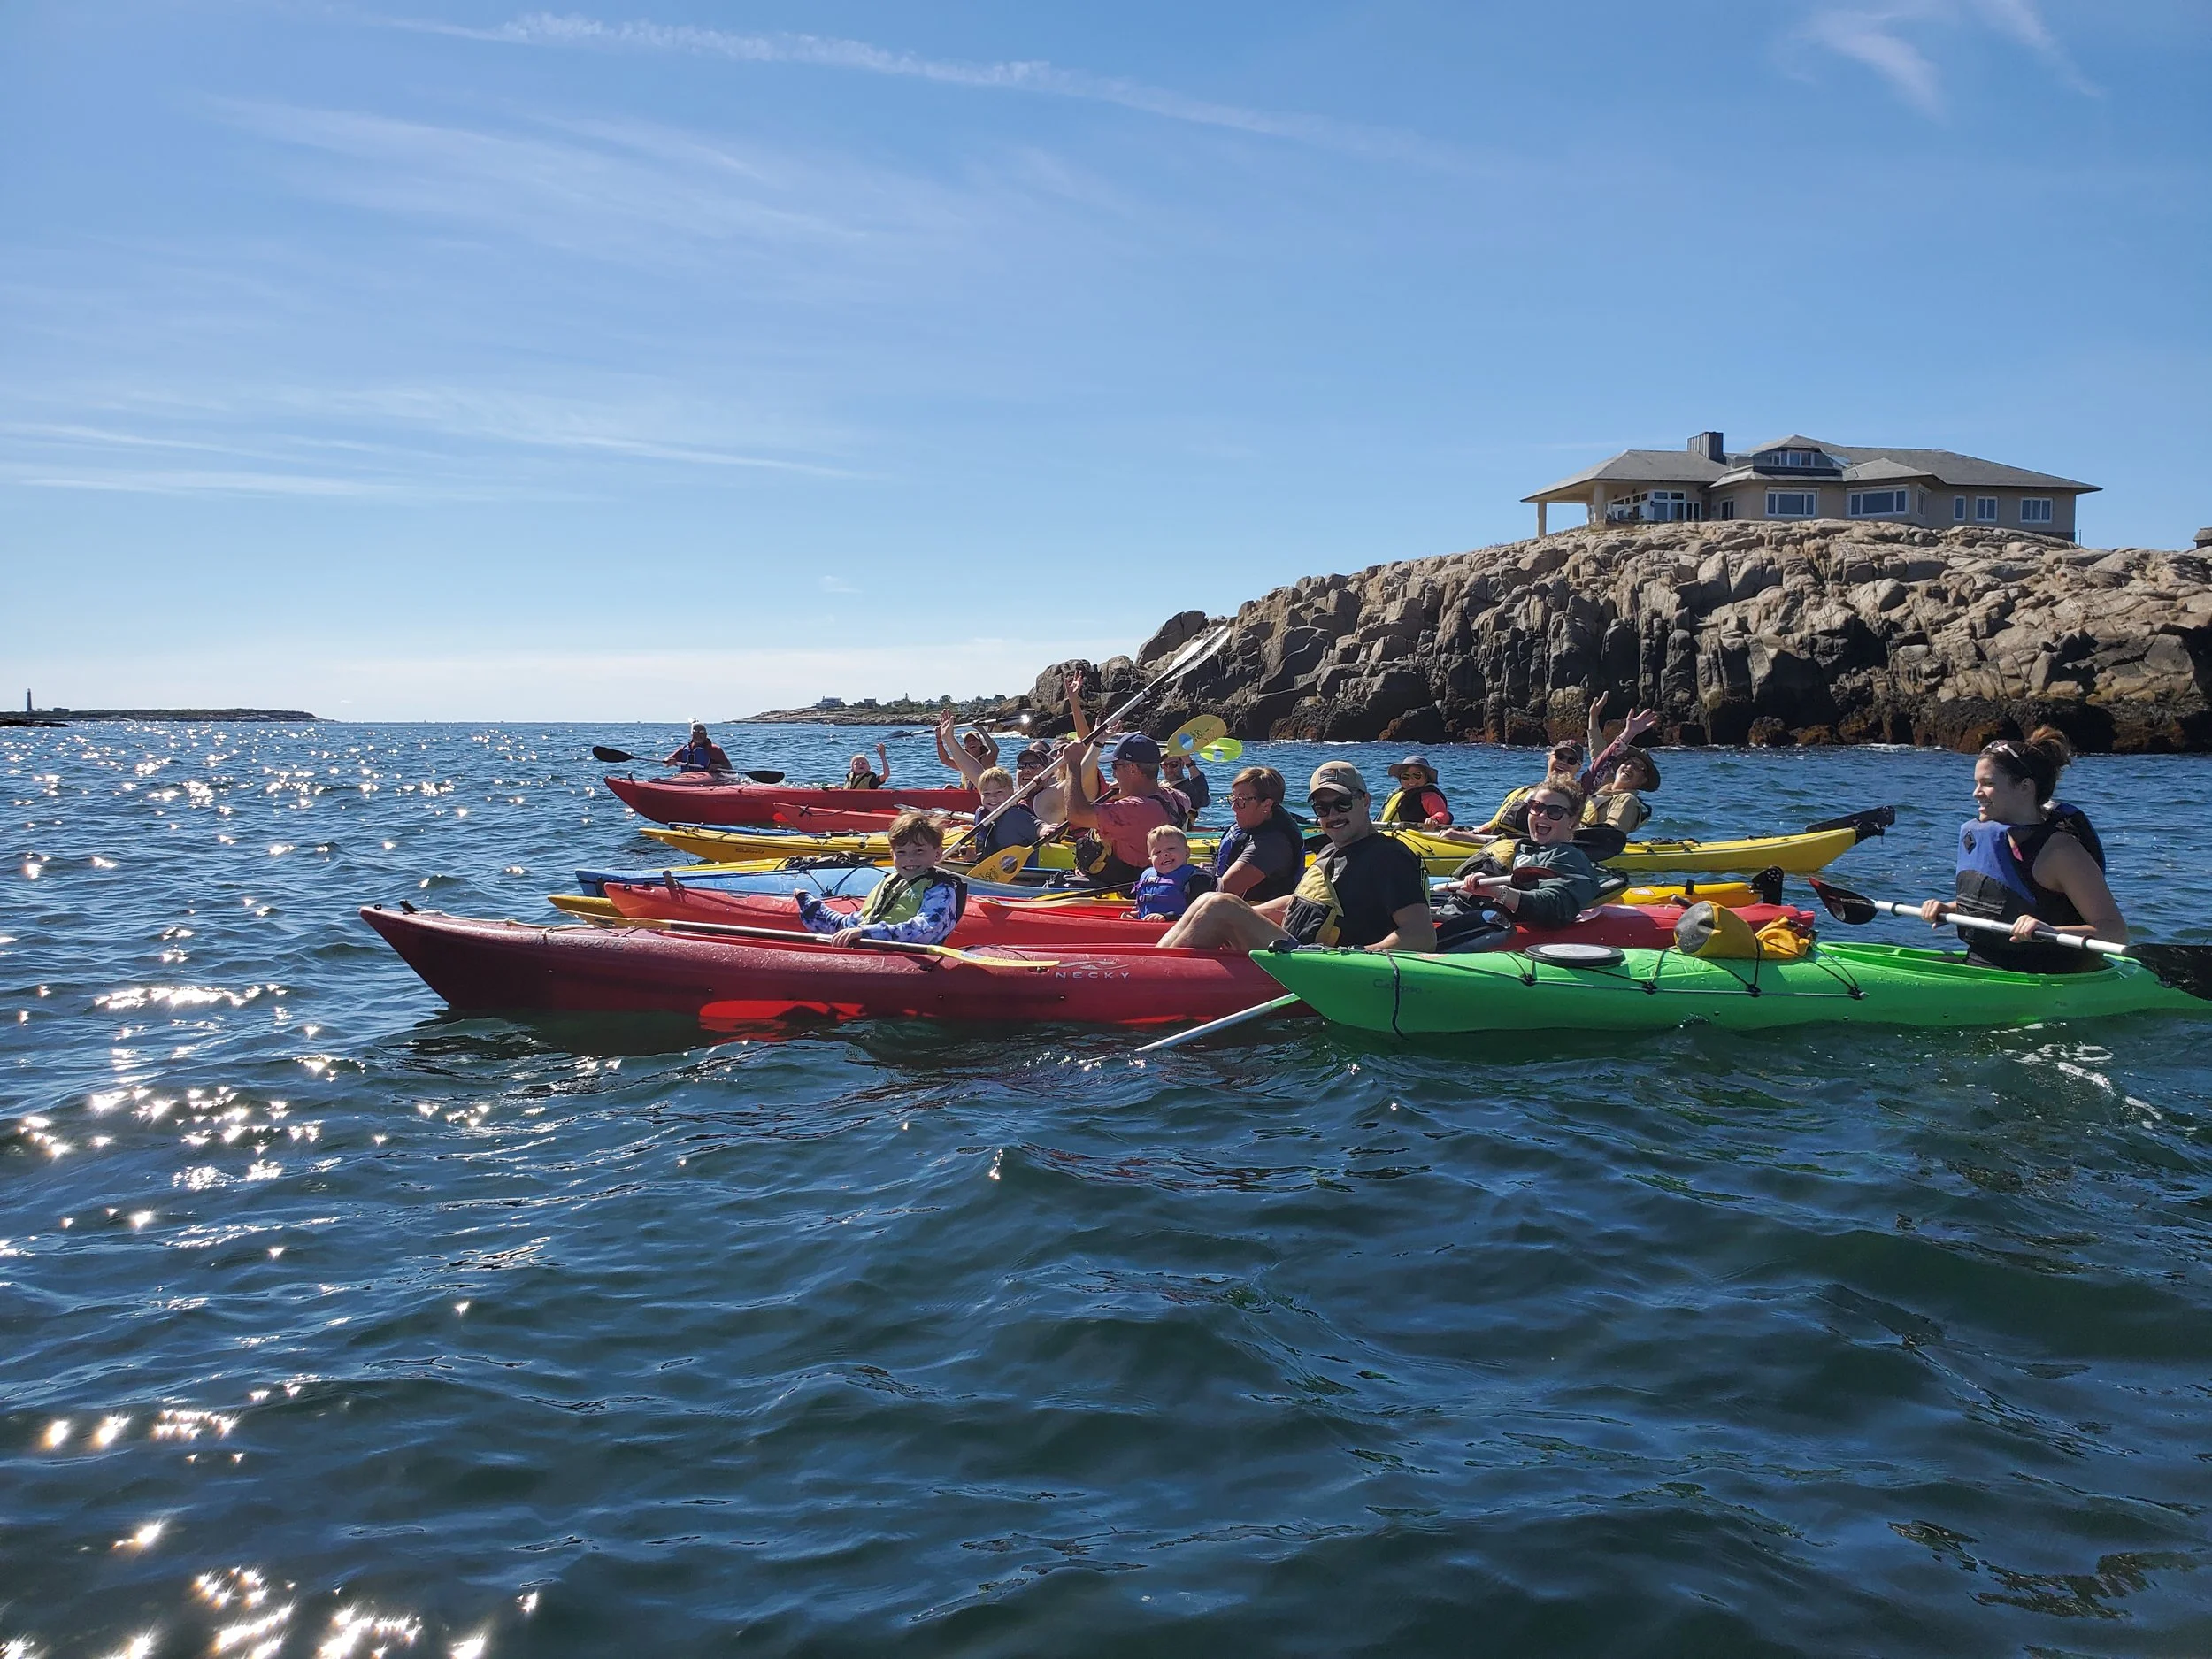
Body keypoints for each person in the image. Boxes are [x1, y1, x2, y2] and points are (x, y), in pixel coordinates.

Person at [1157, 762, 1435, 953]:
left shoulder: (1388, 857)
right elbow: (1300, 902)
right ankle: (1150, 963)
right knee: (1209, 902)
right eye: (1322, 808)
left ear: (1365, 801)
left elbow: (1421, 935)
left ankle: (1156, 979)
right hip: (1292, 949)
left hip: (1322, 964)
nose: (1333, 815)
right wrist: (1248, 917)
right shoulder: (1332, 850)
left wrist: (1357, 957)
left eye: (1342, 803)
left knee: (1219, 904)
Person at [1917, 727, 2125, 973]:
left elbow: (2115, 933)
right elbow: (2008, 903)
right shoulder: (1992, 840)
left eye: (1988, 783)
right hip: (1981, 965)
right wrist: (1951, 908)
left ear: (2025, 787)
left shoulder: (2060, 851)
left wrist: (2051, 932)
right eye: (1976, 783)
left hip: (2046, 976)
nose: (1976, 793)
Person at [795, 811, 965, 946]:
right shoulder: (890, 882)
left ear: (937, 853)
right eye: (901, 853)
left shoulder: (940, 890)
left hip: (907, 962)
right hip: (869, 949)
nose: (910, 859)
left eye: (919, 851)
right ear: (892, 855)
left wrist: (867, 933)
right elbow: (852, 924)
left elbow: (925, 931)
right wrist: (812, 910)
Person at [1449, 782, 1602, 932]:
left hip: (1476, 922)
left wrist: (1497, 892)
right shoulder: (1522, 846)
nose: (1542, 815)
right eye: (1537, 807)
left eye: (1555, 811)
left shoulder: (1567, 856)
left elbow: (1555, 906)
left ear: (1572, 820)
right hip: (1455, 906)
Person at [1063, 731, 1190, 887]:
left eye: (1115, 766)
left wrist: (1073, 766)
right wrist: (1127, 792)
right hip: (1139, 878)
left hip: (1114, 885)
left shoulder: (1134, 809)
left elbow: (1076, 814)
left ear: (1132, 769)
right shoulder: (1177, 798)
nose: (1114, 773)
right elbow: (1166, 798)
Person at [1443, 740, 1587, 841]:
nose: (1563, 762)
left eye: (1571, 761)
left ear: (1578, 768)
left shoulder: (1574, 801)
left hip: (1514, 848)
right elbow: (1493, 825)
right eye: (1559, 756)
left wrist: (1470, 839)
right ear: (1549, 758)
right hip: (1493, 841)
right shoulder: (1523, 791)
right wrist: (1470, 834)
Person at [1210, 765, 1306, 903]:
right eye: (1233, 798)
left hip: (1257, 918)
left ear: (1266, 805)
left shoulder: (1270, 845)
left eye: (1242, 801)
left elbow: (1223, 891)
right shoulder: (1254, 823)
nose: (1233, 807)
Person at [1578, 695, 1663, 833]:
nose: (1629, 767)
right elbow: (1599, 755)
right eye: (1628, 762)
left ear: (1643, 781)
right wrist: (1593, 718)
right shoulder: (1605, 785)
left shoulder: (1627, 800)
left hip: (1593, 847)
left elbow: (1610, 835)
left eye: (1637, 767)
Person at [1132, 825, 1217, 920]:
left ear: (1187, 852)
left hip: (1180, 929)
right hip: (1146, 927)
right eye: (1157, 852)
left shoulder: (1197, 878)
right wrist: (1136, 915)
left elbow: (1203, 914)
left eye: (1171, 848)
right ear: (1151, 860)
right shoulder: (1147, 875)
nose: (1164, 854)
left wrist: (1168, 917)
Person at [967, 765, 1041, 867]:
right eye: (986, 794)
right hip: (989, 867)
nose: (992, 798)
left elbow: (1038, 826)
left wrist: (1045, 829)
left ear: (1011, 792)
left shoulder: (1015, 815)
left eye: (999, 792)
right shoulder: (982, 814)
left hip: (1018, 873)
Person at [1379, 755, 1452, 827]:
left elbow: (1443, 814)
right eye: (1405, 776)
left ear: (1426, 777)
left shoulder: (1430, 796)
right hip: (1388, 833)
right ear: (1400, 779)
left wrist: (1435, 819)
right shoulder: (1397, 794)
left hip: (1415, 835)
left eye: (1417, 775)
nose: (1411, 780)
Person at [935, 710, 998, 787]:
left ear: (980, 743)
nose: (971, 743)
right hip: (968, 794)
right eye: (968, 741)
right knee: (948, 787)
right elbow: (945, 760)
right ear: (965, 746)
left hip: (981, 793)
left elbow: (995, 750)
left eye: (974, 740)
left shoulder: (986, 760)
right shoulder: (963, 762)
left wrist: (981, 730)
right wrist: (939, 738)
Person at [664, 723, 733, 774]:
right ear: (692, 735)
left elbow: (729, 768)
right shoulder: (684, 749)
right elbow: (665, 761)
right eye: (695, 732)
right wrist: (668, 761)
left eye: (701, 732)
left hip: (708, 780)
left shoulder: (714, 749)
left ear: (706, 735)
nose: (699, 735)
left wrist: (719, 766)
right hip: (687, 778)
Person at [1160, 748, 1210, 817]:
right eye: (1164, 766)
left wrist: (1189, 763)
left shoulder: (1188, 788)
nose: (1168, 769)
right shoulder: (1161, 784)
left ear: (1182, 764)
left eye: (1174, 764)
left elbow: (1203, 800)